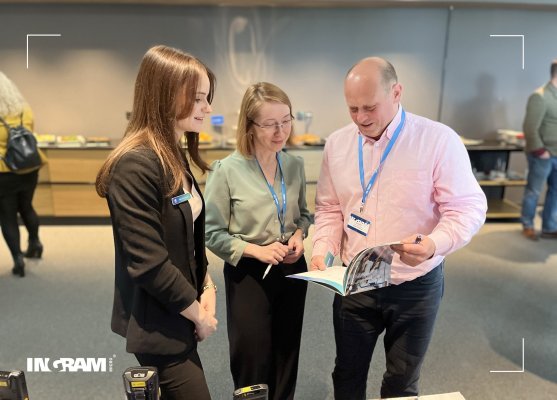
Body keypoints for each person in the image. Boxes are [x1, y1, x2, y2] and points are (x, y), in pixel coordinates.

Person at [310, 57, 487, 399]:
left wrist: (434, 243)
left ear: (396, 93)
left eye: (370, 107)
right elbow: (329, 208)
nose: (361, 118)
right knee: (347, 373)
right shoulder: (337, 144)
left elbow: (467, 207)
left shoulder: (437, 140)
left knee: (402, 382)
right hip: (355, 281)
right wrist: (323, 250)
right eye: (353, 109)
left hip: (414, 283)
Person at [95, 45, 218, 400]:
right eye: (198, 98)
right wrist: (198, 316)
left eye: (207, 98)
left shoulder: (172, 152)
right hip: (159, 321)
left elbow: (186, 237)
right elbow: (149, 263)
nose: (208, 108)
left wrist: (207, 284)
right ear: (165, 95)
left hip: (181, 309)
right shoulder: (135, 164)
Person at [204, 82, 311, 400]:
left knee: (287, 349)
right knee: (251, 353)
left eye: (286, 121)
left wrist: (299, 235)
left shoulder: (294, 165)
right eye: (270, 124)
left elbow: (303, 215)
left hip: (291, 267)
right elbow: (211, 233)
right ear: (249, 126)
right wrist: (257, 251)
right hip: (249, 271)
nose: (281, 131)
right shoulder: (225, 171)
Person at [0, 71, 46, 277]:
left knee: (7, 215)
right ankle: (35, 243)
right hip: (29, 167)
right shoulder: (24, 110)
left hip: (4, 171)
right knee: (27, 206)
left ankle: (18, 259)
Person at [520, 59, 557, 240]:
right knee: (534, 191)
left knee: (555, 192)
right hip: (543, 155)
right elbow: (529, 128)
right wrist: (541, 151)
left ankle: (550, 227)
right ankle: (527, 224)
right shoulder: (540, 96)